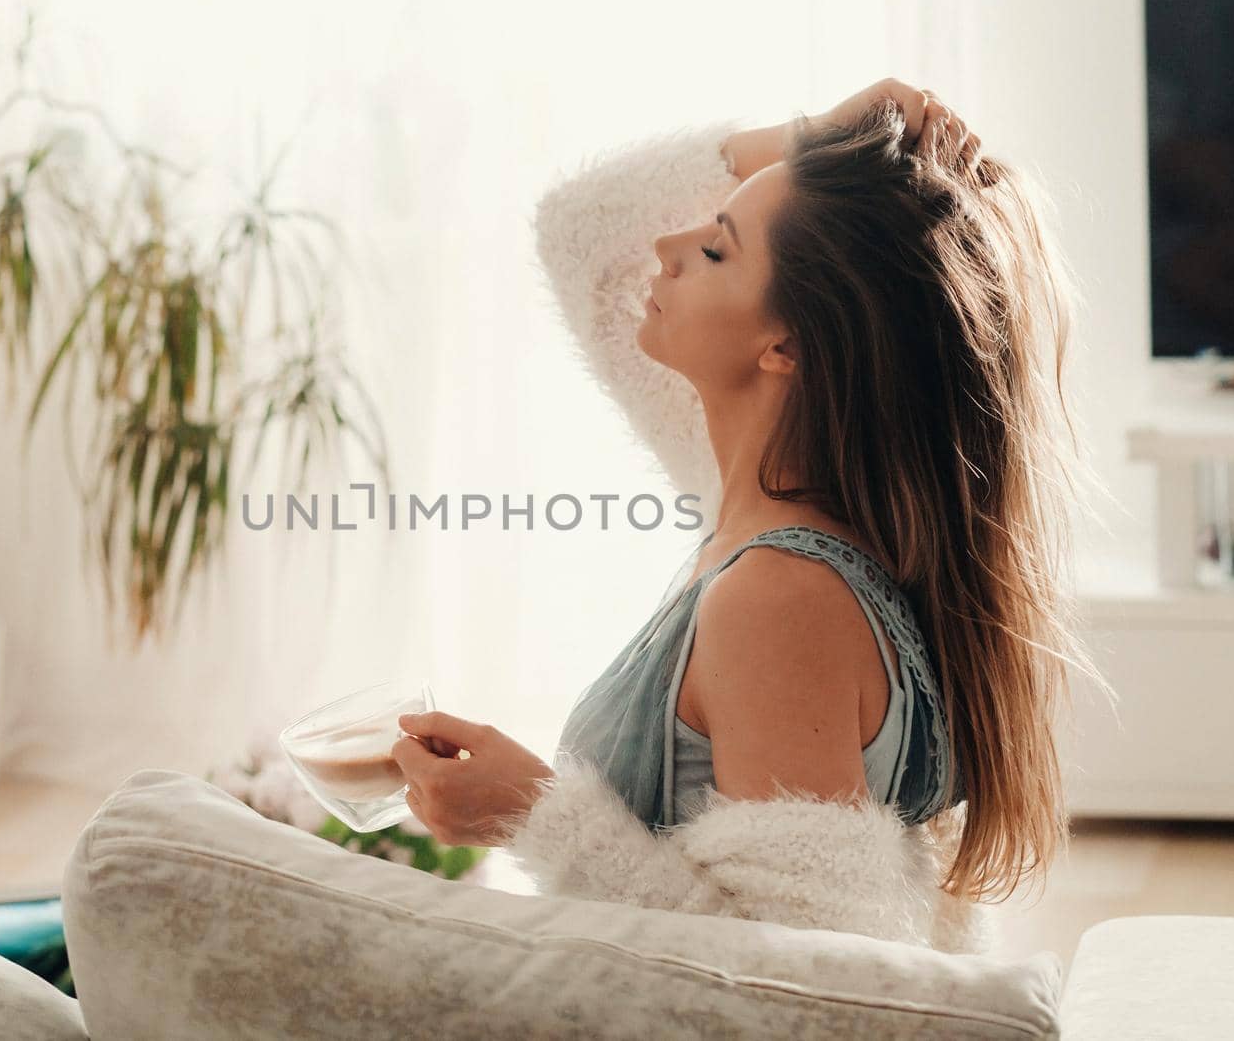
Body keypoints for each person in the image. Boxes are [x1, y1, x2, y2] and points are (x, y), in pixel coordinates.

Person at [392, 78, 1113, 949]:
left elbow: (804, 984)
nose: (665, 243)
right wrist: (822, 134)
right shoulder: (789, 503)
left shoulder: (780, 598)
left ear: (786, 347)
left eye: (717, 250)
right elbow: (579, 231)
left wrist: (532, 814)